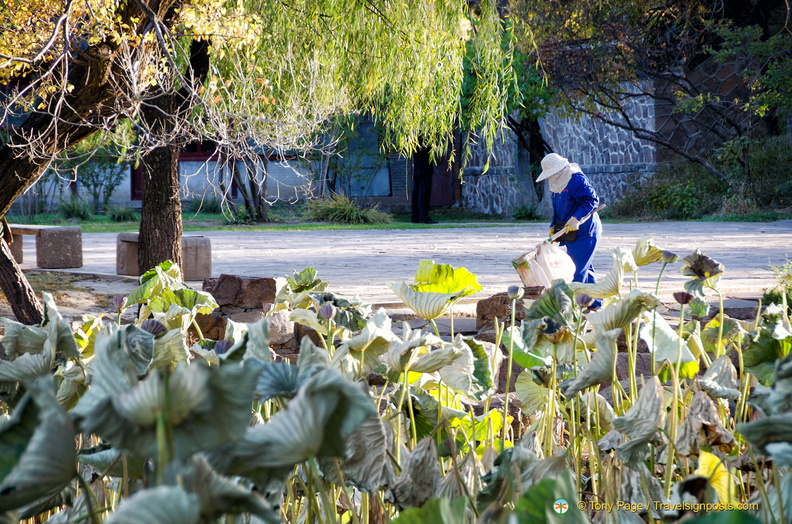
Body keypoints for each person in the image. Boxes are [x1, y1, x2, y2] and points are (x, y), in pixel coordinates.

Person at [536, 152, 603, 308]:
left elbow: (591, 200)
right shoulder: (556, 184)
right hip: (569, 233)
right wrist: (553, 227)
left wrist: (576, 217)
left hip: (586, 231)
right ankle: (594, 303)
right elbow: (558, 209)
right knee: (586, 267)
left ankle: (572, 307)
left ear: (560, 169)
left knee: (576, 269)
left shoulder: (576, 179)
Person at [411, 146, 438, 224]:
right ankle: (423, 217)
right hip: (424, 166)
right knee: (424, 192)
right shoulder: (425, 137)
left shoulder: (413, 136)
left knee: (416, 192)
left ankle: (415, 217)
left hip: (417, 167)